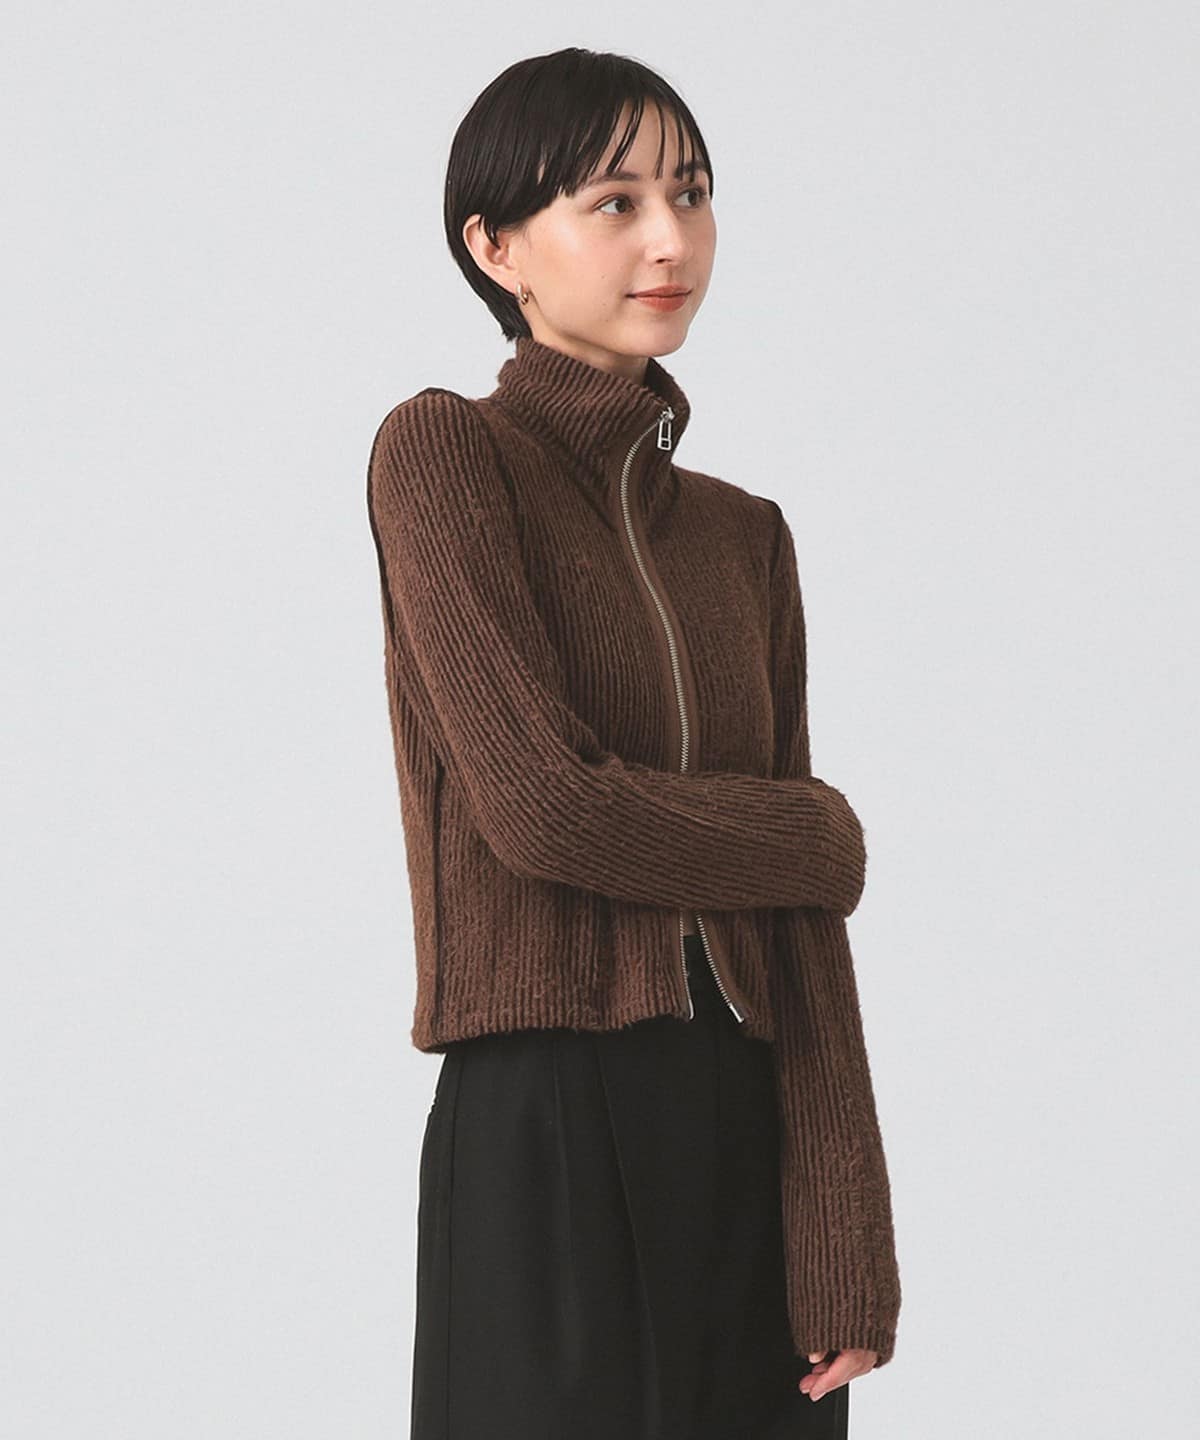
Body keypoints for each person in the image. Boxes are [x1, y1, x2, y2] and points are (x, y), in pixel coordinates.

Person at [365, 46, 901, 1440]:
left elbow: (802, 930)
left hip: (753, 1131)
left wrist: (847, 1238)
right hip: (547, 1115)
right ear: (496, 248)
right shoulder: (444, 456)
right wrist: (809, 831)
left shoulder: (744, 535)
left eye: (692, 194)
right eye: (615, 202)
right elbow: (542, 809)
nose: (671, 240)